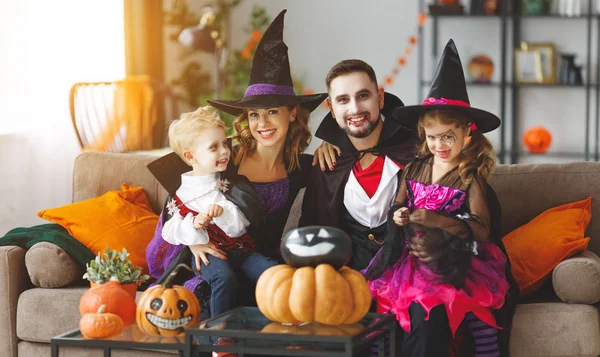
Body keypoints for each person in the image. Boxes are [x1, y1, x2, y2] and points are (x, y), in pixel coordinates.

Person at [145, 8, 327, 311]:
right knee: (219, 285)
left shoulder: (302, 168)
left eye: (272, 111)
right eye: (254, 114)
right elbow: (177, 200)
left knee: (284, 291)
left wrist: (331, 145)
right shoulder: (223, 154)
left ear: (293, 113)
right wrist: (193, 241)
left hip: (254, 260)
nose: (262, 123)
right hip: (202, 254)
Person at [364, 39, 518, 357]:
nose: (440, 144)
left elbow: (480, 228)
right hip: (412, 256)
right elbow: (399, 203)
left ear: (467, 133)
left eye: (448, 136)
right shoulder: (415, 168)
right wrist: (399, 215)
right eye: (433, 137)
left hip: (454, 257)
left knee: (443, 304)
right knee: (388, 308)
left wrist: (438, 220)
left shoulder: (468, 176)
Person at [161, 105, 279, 321]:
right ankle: (220, 337)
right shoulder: (180, 196)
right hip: (209, 254)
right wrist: (194, 224)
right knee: (223, 277)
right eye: (214, 147)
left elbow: (239, 228)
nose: (224, 151)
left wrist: (222, 212)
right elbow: (169, 231)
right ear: (190, 156)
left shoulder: (229, 185)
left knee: (271, 272)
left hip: (242, 250)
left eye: (224, 143)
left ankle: (284, 323)